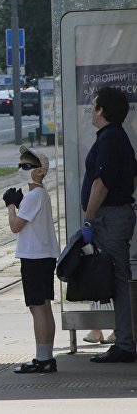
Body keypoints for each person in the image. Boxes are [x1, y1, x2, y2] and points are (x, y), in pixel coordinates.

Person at [82, 87, 137, 363]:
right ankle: (123, 339)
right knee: (117, 279)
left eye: (94, 105)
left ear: (102, 110)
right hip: (116, 216)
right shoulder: (116, 137)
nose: (91, 109)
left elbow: (100, 184)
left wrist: (88, 219)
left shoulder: (110, 139)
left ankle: (125, 343)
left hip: (110, 217)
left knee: (117, 280)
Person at [4, 146, 59, 374]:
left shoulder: (33, 196)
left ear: (39, 171)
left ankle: (42, 358)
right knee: (44, 305)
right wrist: (19, 204)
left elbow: (15, 226)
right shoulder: (40, 195)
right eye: (20, 165)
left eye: (26, 166)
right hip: (44, 256)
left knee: (37, 307)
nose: (21, 170)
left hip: (33, 257)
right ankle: (47, 355)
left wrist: (10, 206)